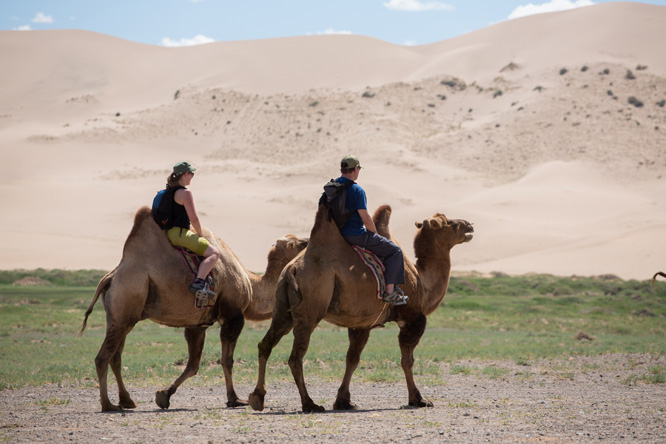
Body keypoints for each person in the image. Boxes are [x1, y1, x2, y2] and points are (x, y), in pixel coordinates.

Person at [334, 155, 409, 305]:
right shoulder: (356, 190)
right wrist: (374, 235)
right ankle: (390, 293)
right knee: (395, 251)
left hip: (335, 235)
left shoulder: (331, 188)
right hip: (354, 235)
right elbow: (366, 218)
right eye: (358, 169)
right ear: (355, 169)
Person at [154, 161, 220, 299]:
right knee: (214, 253)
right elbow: (194, 219)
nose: (192, 176)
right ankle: (198, 283)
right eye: (192, 174)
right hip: (179, 235)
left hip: (166, 234)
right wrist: (201, 235)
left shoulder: (166, 193)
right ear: (185, 174)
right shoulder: (185, 193)